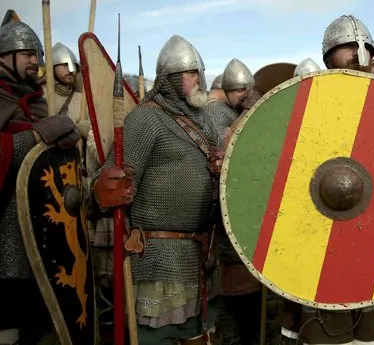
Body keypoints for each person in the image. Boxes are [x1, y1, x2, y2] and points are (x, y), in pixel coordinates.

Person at [280, 15, 374, 345]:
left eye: (364, 46)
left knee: (372, 328)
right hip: (321, 231)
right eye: (348, 47)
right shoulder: (313, 104)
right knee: (325, 322)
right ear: (328, 59)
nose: (359, 53)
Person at [92, 34, 221, 345]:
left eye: (198, 73)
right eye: (191, 74)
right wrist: (104, 185)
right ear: (171, 79)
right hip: (159, 257)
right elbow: (109, 174)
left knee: (198, 335)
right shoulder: (145, 119)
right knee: (156, 336)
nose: (198, 80)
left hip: (200, 252)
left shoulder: (205, 120)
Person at [0, 20, 80, 345]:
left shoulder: (34, 101)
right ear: (4, 56)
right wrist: (33, 138)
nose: (36, 60)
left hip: (41, 232)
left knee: (39, 326)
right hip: (5, 235)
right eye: (27, 54)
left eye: (38, 54)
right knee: (7, 328)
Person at [204, 58, 263, 345]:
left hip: (234, 210)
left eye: (248, 90)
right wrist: (249, 111)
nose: (245, 95)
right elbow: (225, 148)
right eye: (241, 90)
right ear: (228, 88)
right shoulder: (216, 112)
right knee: (231, 297)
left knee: (246, 297)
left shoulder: (229, 109)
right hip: (221, 214)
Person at [43, 42, 91, 139]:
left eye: (74, 66)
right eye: (65, 65)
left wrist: (87, 129)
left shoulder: (83, 99)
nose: (71, 70)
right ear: (52, 67)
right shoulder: (40, 94)